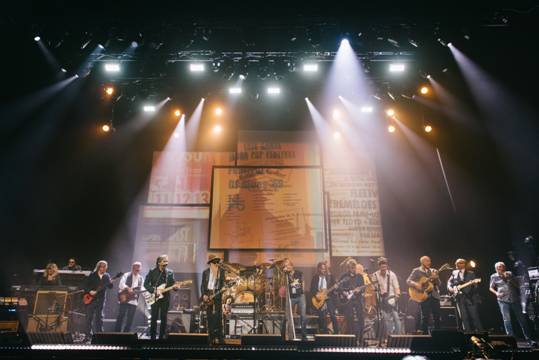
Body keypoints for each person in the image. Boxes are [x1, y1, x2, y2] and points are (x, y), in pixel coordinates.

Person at [489, 261, 536, 346]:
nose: (500, 268)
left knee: (522, 319)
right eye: (498, 267)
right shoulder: (493, 276)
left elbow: (517, 285)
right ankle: (511, 341)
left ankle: (529, 339)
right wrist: (497, 293)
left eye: (502, 266)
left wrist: (509, 279)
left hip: (514, 299)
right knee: (507, 320)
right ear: (496, 268)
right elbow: (491, 287)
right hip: (502, 300)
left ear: (504, 267)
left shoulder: (509, 274)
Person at [144, 254, 177, 340]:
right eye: (164, 261)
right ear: (159, 262)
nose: (166, 263)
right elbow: (146, 284)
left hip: (165, 297)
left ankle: (162, 337)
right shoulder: (152, 271)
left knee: (164, 317)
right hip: (155, 297)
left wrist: (176, 287)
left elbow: (173, 284)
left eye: (167, 261)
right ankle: (153, 337)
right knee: (154, 317)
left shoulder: (170, 272)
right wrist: (154, 291)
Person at [406, 256, 441, 334]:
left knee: (437, 316)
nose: (429, 262)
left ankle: (438, 335)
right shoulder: (416, 270)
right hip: (424, 296)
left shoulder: (433, 271)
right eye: (427, 261)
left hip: (434, 296)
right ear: (422, 262)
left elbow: (439, 284)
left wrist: (436, 278)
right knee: (425, 317)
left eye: (430, 261)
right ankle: (424, 336)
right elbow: (408, 281)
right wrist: (415, 284)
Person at [447, 258, 483, 332]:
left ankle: (480, 332)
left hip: (470, 297)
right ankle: (467, 333)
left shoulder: (471, 273)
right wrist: (451, 288)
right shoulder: (454, 273)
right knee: (463, 317)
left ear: (464, 264)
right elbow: (449, 282)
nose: (457, 264)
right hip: (459, 297)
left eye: (460, 263)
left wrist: (473, 285)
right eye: (456, 263)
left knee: (474, 316)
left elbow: (476, 286)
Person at [371, 257, 402, 337]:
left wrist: (397, 296)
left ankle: (398, 336)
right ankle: (389, 337)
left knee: (396, 318)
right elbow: (373, 289)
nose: (383, 269)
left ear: (387, 266)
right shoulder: (375, 275)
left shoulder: (392, 274)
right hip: (382, 300)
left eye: (384, 267)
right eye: (382, 268)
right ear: (379, 267)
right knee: (387, 320)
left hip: (392, 298)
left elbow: (396, 287)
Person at [83, 260, 113, 339]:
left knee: (99, 317)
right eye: (101, 267)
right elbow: (85, 285)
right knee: (89, 317)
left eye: (104, 267)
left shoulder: (107, 276)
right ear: (98, 267)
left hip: (101, 299)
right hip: (91, 299)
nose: (103, 268)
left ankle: (99, 335)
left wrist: (111, 282)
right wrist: (90, 291)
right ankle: (87, 335)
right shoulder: (93, 275)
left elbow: (110, 287)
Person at [338, 259, 365, 345]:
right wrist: (345, 293)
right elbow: (339, 287)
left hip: (357, 300)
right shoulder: (343, 276)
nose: (352, 269)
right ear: (347, 268)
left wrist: (359, 291)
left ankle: (360, 339)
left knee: (361, 318)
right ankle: (351, 339)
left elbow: (363, 287)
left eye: (353, 267)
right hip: (348, 301)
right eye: (350, 267)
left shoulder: (359, 276)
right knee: (350, 319)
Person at [201, 254, 226, 345]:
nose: (216, 263)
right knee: (210, 318)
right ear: (210, 263)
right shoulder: (205, 272)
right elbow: (203, 286)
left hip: (217, 297)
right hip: (208, 297)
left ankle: (220, 337)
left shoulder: (221, 272)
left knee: (219, 318)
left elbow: (224, 284)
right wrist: (204, 295)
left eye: (217, 261)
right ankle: (211, 338)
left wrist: (223, 289)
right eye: (215, 261)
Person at [310, 261, 339, 334]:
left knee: (333, 315)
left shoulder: (330, 276)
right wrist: (316, 295)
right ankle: (323, 332)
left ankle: (336, 332)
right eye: (322, 269)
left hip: (328, 297)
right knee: (321, 316)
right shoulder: (315, 277)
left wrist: (336, 287)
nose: (324, 270)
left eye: (324, 269)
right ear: (319, 269)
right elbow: (312, 289)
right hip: (319, 299)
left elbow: (336, 286)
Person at [115, 261, 144, 332]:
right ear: (132, 268)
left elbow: (142, 288)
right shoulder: (127, 275)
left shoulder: (141, 278)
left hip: (134, 300)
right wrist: (128, 288)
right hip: (125, 298)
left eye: (138, 268)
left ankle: (126, 333)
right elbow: (121, 284)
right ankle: (116, 332)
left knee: (130, 318)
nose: (137, 269)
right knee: (121, 316)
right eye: (136, 267)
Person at [283, 258, 307, 339]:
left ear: (292, 265)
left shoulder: (298, 273)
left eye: (288, 265)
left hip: (300, 296)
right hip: (291, 297)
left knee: (303, 315)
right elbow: (283, 285)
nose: (287, 267)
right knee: (288, 315)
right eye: (285, 266)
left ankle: (304, 333)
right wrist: (285, 274)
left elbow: (303, 281)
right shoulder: (285, 275)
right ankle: (289, 333)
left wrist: (303, 291)